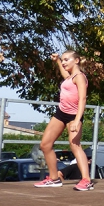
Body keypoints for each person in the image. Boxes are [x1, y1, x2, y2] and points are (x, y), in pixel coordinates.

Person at [34, 51, 93, 190]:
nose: (64, 62)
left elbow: (82, 99)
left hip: (74, 116)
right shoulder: (70, 77)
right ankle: (54, 178)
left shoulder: (80, 77)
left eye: (67, 60)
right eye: (63, 60)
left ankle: (86, 180)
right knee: (45, 145)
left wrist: (77, 120)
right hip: (61, 113)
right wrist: (58, 62)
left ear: (76, 60)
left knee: (75, 145)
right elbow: (64, 75)